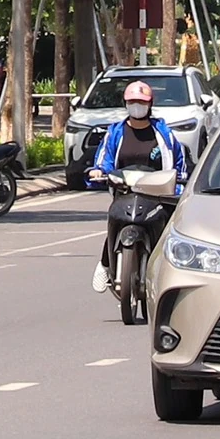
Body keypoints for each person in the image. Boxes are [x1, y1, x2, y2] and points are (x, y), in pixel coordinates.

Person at [87, 80, 188, 292]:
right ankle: (105, 264)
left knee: (168, 232)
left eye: (141, 102)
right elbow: (104, 160)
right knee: (117, 219)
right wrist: (99, 171)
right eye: (132, 102)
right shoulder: (115, 132)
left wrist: (179, 180)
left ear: (150, 104)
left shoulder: (163, 134)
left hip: (157, 195)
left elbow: (178, 161)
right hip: (124, 192)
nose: (137, 106)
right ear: (125, 104)